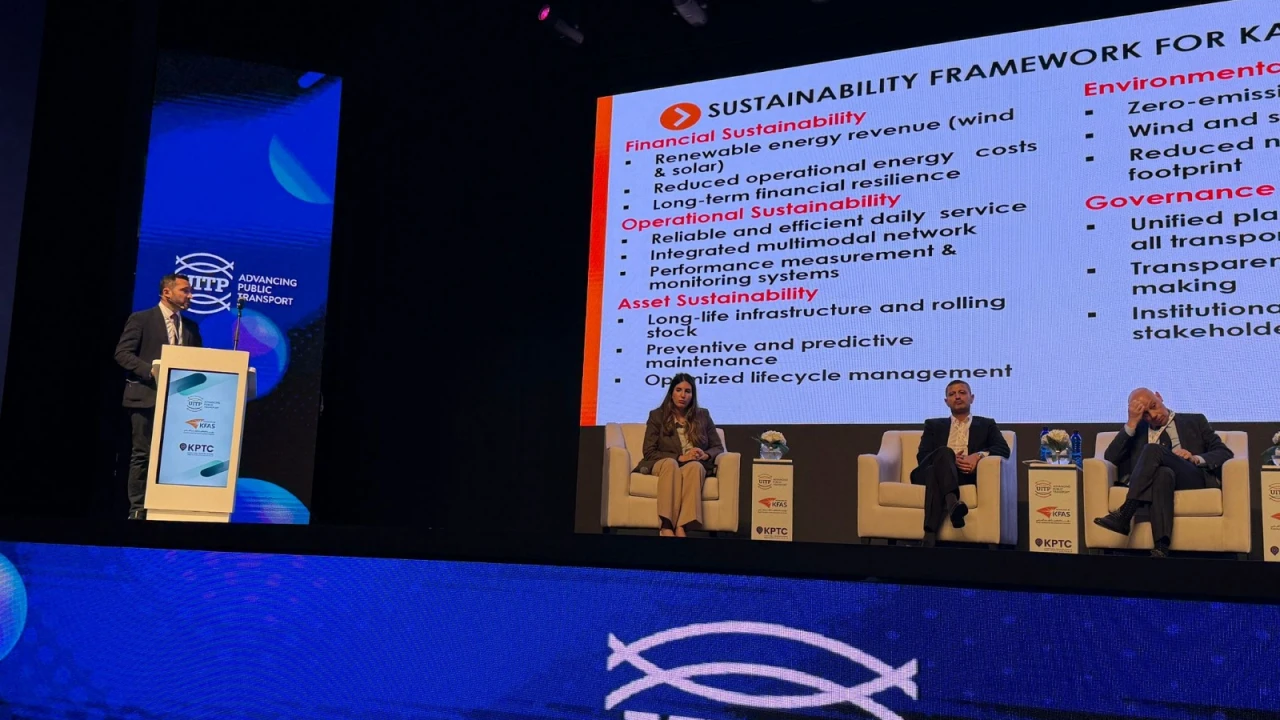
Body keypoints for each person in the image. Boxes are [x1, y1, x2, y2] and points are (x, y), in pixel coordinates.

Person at [1092, 388, 1232, 557]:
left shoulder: (1195, 420)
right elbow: (1111, 458)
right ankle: (1161, 548)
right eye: (1145, 414)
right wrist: (1131, 423)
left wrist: (1195, 458)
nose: (1153, 415)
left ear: (1159, 397)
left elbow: (1224, 453)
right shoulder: (1137, 431)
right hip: (1159, 482)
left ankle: (1125, 513)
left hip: (1190, 475)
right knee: (1163, 473)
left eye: (1154, 406)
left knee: (1153, 449)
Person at [113, 273, 203, 519]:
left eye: (190, 291)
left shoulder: (191, 327)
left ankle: (170, 507)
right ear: (167, 293)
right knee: (143, 454)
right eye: (185, 290)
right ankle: (138, 509)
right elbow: (122, 354)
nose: (190, 295)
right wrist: (152, 370)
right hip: (146, 396)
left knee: (174, 455)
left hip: (180, 402)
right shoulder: (142, 319)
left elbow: (197, 361)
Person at [910, 380, 1010, 547]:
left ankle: (929, 536)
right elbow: (923, 456)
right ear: (946, 401)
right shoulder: (933, 425)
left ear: (972, 398)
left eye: (962, 392)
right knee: (944, 453)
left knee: (936, 472)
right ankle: (952, 503)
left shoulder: (986, 424)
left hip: (964, 475)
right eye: (952, 394)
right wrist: (948, 459)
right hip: (924, 475)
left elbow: (1003, 449)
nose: (957, 396)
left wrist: (977, 456)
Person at [634, 373, 724, 537]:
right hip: (663, 463)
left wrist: (704, 455)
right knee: (671, 464)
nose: (683, 395)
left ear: (692, 395)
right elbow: (649, 451)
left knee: (696, 467)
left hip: (691, 465)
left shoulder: (703, 415)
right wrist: (680, 458)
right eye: (679, 390)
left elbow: (718, 447)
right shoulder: (657, 415)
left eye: (688, 391)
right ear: (671, 393)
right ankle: (666, 525)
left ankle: (682, 526)